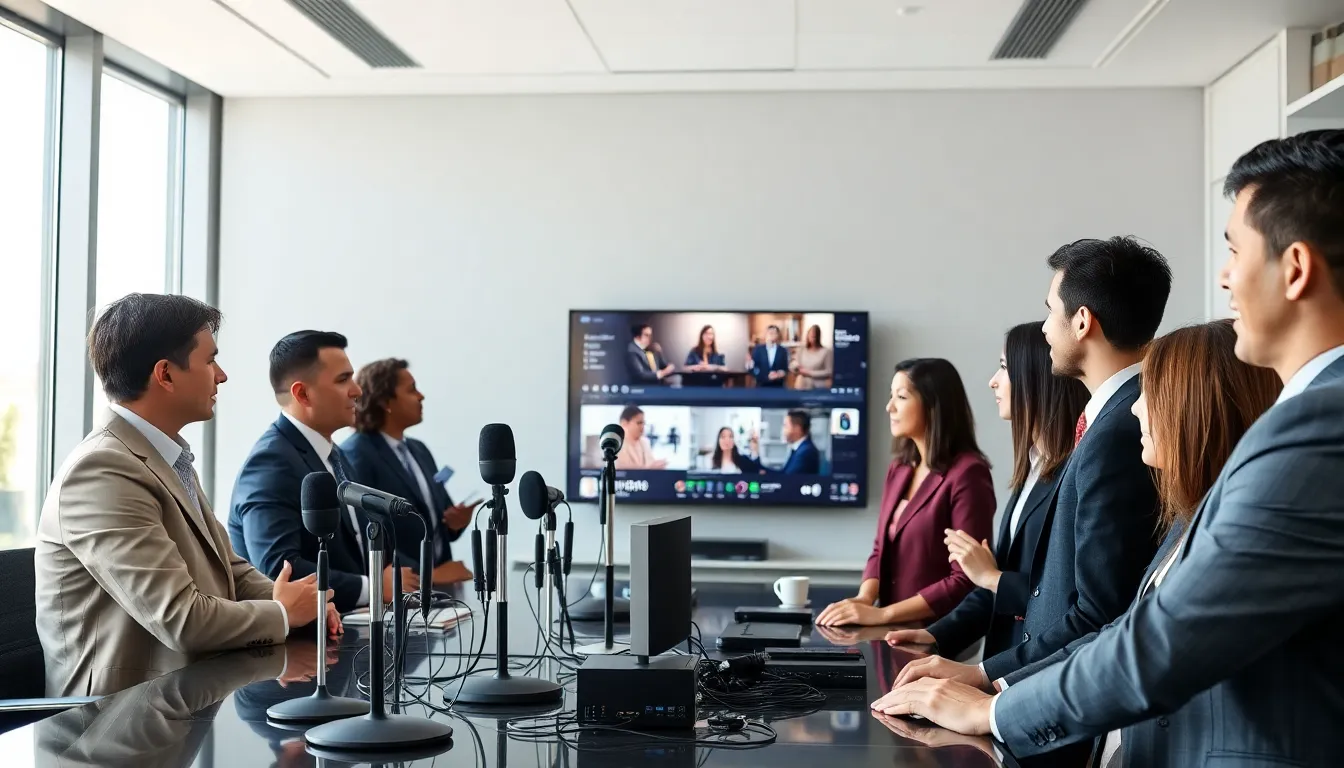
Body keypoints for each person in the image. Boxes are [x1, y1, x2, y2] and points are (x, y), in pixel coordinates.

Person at [871, 131, 1344, 768]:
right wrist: (991, 683)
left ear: (1294, 268)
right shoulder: (1303, 416)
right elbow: (1137, 621)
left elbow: (1168, 638)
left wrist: (992, 707)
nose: (1225, 276)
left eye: (1234, 250)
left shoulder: (1320, 424)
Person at [34, 294, 334, 697]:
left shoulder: (167, 457)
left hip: (186, 700)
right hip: (114, 730)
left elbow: (230, 571)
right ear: (166, 375)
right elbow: (180, 619)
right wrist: (282, 613)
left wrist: (304, 605)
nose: (222, 375)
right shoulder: (102, 470)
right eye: (210, 360)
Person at [885, 322, 1089, 663]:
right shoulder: (1034, 467)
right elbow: (994, 585)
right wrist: (935, 635)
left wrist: (992, 577)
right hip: (1006, 667)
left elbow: (1067, 598)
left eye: (1004, 368)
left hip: (1039, 673)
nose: (993, 380)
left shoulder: (1072, 472)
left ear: (1035, 377)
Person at [229, 331, 418, 615]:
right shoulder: (271, 462)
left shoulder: (333, 453)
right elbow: (278, 569)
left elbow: (355, 540)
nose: (357, 390)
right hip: (305, 646)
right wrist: (372, 587)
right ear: (302, 393)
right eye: (343, 380)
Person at [816, 358, 995, 627]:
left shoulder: (968, 473)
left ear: (933, 405)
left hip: (938, 635)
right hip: (890, 630)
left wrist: (883, 614)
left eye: (901, 397)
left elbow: (966, 577)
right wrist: (864, 599)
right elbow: (880, 549)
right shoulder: (899, 468)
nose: (890, 407)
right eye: (892, 396)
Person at [342, 358, 479, 579]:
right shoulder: (356, 454)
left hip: (439, 590)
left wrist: (455, 523)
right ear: (386, 401)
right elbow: (366, 535)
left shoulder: (419, 450)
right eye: (412, 389)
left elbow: (437, 518)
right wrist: (429, 576)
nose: (421, 396)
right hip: (400, 592)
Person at [613, 404, 668, 470]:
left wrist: (657, 466)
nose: (642, 427)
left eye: (643, 423)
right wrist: (649, 469)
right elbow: (622, 469)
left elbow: (650, 464)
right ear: (624, 423)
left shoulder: (645, 442)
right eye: (639, 423)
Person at [777, 410, 821, 474]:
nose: (783, 431)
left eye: (785, 426)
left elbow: (787, 478)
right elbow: (782, 473)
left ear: (797, 428)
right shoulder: (800, 449)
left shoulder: (806, 451)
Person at [793, 324, 834, 390]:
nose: (812, 338)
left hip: (818, 382)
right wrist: (796, 367)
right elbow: (794, 365)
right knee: (800, 378)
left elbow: (829, 371)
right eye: (811, 336)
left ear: (818, 337)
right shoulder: (801, 350)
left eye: (814, 337)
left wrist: (809, 373)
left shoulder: (826, 351)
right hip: (802, 381)